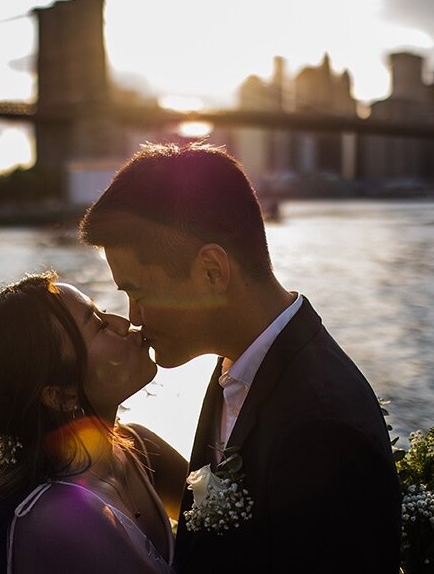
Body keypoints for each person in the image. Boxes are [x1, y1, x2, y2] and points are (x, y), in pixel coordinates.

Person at [79, 142, 402, 572]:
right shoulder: (237, 366)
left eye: (137, 292)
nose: (134, 318)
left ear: (212, 271)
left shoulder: (322, 430)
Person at [0, 272, 187, 574]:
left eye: (101, 310)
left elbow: (244, 523)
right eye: (100, 326)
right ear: (61, 396)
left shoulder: (139, 448)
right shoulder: (56, 518)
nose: (123, 321)